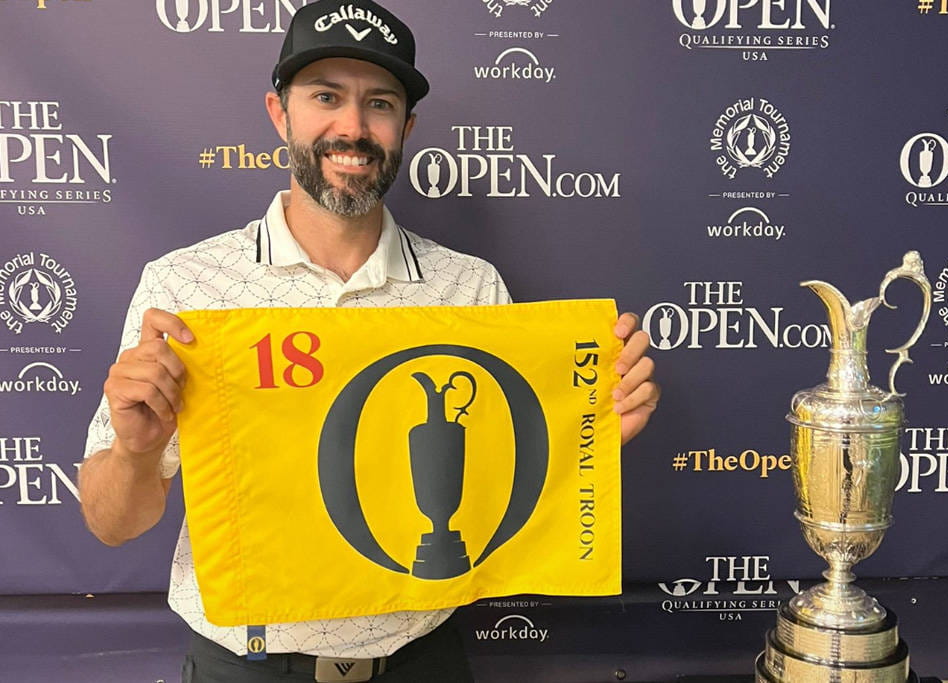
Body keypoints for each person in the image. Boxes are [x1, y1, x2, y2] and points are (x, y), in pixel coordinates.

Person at [78, 1, 659, 681]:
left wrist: (584, 435)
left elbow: (499, 488)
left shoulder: (468, 287)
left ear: (405, 127)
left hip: (424, 662)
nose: (352, 127)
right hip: (249, 665)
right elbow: (111, 523)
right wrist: (136, 451)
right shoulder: (185, 286)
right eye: (326, 96)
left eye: (379, 103)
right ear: (279, 112)